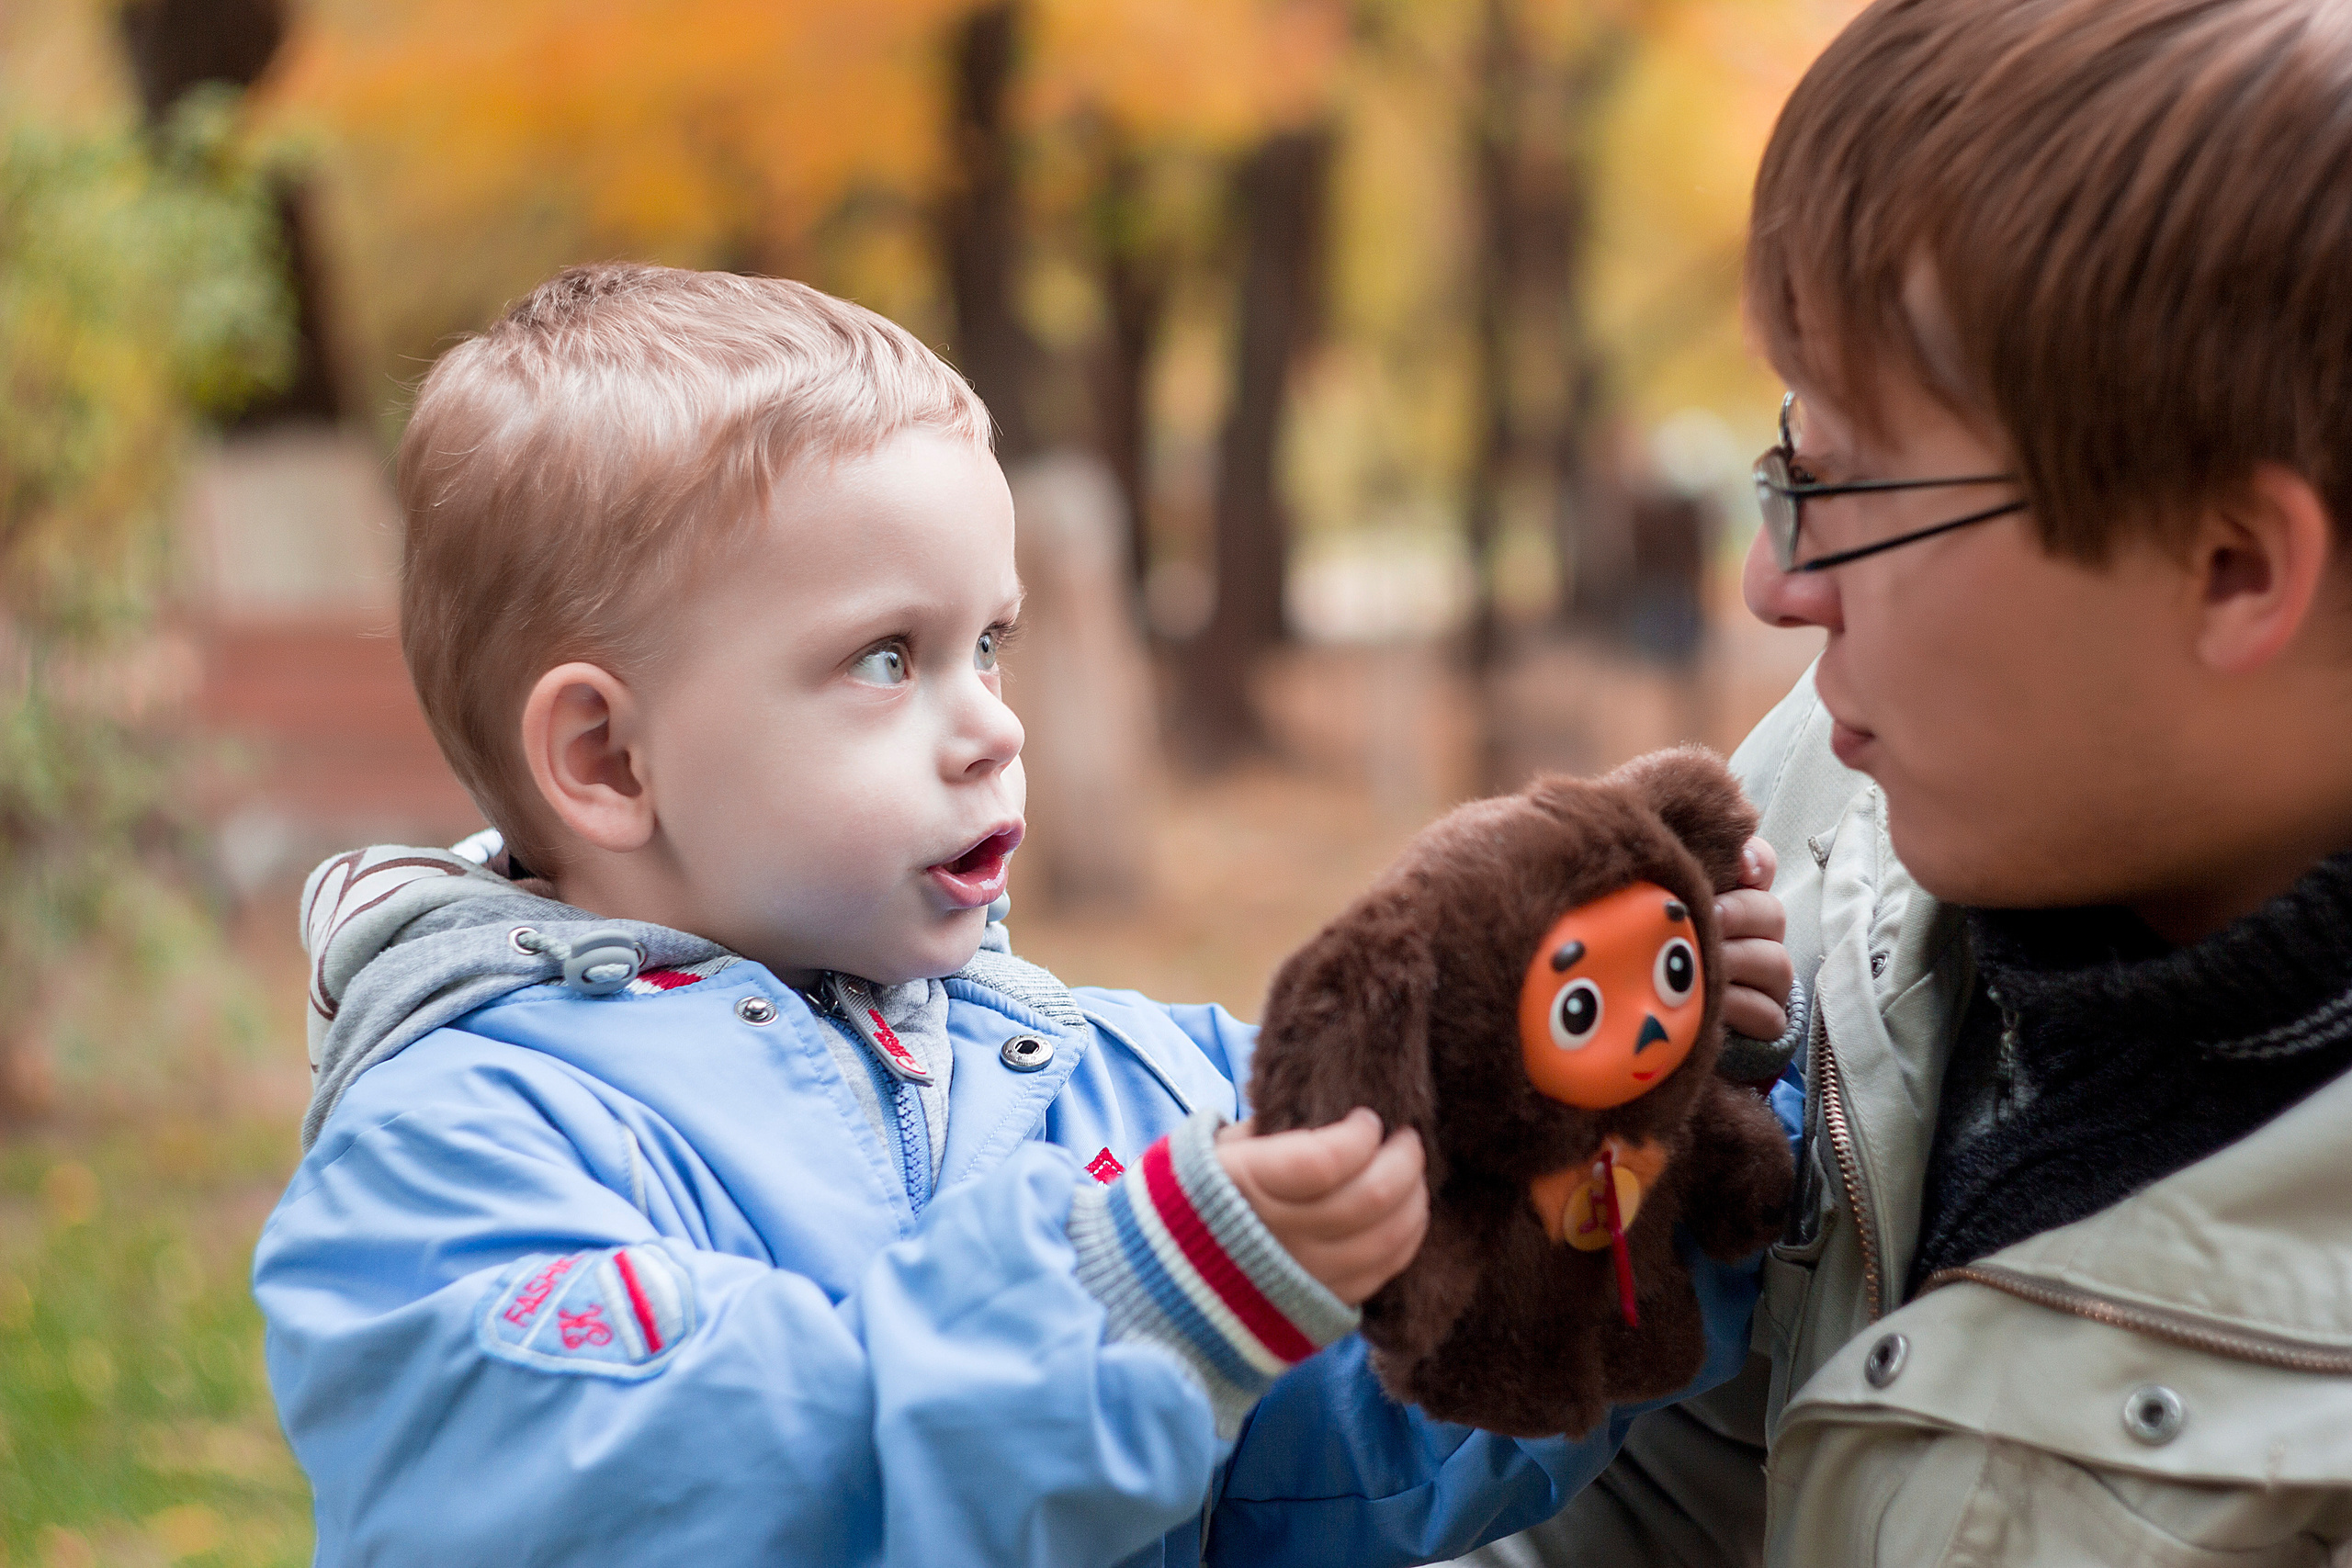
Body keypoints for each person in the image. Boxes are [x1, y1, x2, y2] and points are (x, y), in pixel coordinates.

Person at [251, 263, 1799, 1567]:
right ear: (606, 758)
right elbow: (668, 1487)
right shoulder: (462, 1152)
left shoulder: (1117, 1090)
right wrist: (1137, 1301)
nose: (991, 722)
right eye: (885, 658)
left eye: (989, 642)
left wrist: (1632, 1110)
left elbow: (1362, 1442)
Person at [1457, 1, 2352, 1563]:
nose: (1770, 586)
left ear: (2230, 566)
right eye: (1779, 464)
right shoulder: (1836, 806)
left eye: (1847, 485)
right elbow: (1661, 1499)